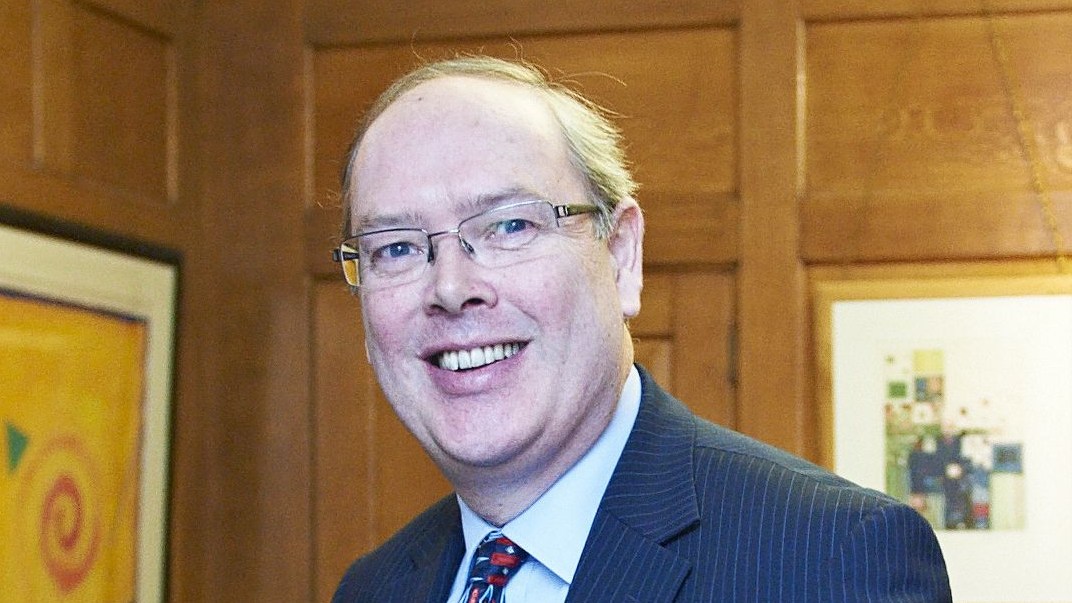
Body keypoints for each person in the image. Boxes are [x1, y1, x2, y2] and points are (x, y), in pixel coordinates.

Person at [330, 55, 952, 602]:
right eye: (396, 248)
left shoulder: (831, 561)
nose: (450, 287)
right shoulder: (374, 589)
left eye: (510, 226)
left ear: (622, 255)